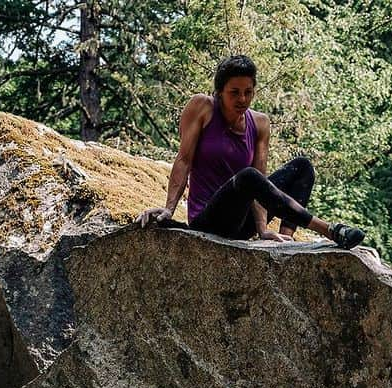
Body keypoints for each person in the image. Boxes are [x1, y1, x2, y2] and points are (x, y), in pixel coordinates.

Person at [137, 54, 365, 249]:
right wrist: (169, 209)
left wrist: (263, 230)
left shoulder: (260, 123)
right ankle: (329, 230)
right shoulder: (202, 107)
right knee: (246, 176)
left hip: (240, 223)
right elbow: (183, 160)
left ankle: (289, 239)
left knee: (302, 167)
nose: (242, 99)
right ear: (220, 91)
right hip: (208, 221)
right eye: (234, 92)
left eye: (248, 92)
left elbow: (260, 184)